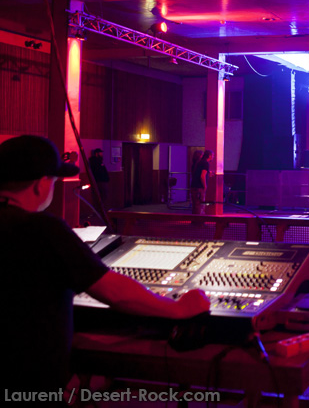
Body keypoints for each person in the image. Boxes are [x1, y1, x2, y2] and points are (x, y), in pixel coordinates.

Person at [0, 135, 209, 397]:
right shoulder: (43, 229)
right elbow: (113, 292)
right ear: (40, 184)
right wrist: (177, 308)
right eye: (54, 181)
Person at [191, 150, 213, 215]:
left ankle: (195, 219)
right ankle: (199, 220)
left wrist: (208, 173)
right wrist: (205, 186)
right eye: (212, 155)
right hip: (199, 187)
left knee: (195, 205)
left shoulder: (197, 163)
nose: (213, 157)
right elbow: (202, 176)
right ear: (209, 156)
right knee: (200, 205)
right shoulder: (205, 163)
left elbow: (198, 174)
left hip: (194, 185)